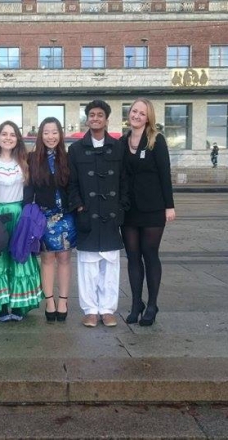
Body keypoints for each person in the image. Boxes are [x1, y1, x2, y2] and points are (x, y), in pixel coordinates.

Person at [68, 100, 128, 328]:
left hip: (111, 215)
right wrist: (79, 206)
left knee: (110, 267)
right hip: (88, 216)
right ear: (87, 119)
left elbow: (125, 181)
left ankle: (107, 309)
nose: (95, 118)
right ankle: (91, 310)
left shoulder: (117, 147)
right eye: (91, 114)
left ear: (106, 119)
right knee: (87, 267)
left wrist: (121, 206)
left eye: (99, 115)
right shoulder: (75, 149)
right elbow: (71, 183)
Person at [121, 98, 176, 327]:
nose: (136, 116)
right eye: (134, 111)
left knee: (149, 254)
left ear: (148, 117)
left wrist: (169, 206)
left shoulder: (156, 140)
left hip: (153, 208)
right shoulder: (123, 141)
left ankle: (152, 304)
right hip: (129, 210)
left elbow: (165, 174)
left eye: (142, 113)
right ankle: (136, 303)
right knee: (133, 257)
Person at [0, 121, 44, 322]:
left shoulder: (25, 161)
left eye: (12, 134)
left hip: (19, 213)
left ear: (18, 138)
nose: (8, 138)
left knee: (20, 256)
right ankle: (1, 304)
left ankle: (19, 304)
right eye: (4, 134)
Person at [24, 117, 76, 323]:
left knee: (64, 258)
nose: (50, 136)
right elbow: (28, 188)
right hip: (43, 217)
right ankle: (49, 300)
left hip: (66, 217)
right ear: (40, 135)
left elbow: (73, 186)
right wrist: (26, 213)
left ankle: (63, 300)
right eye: (46, 132)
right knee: (47, 259)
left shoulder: (68, 157)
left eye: (54, 132)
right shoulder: (32, 158)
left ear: (60, 134)